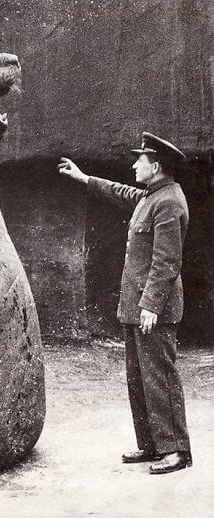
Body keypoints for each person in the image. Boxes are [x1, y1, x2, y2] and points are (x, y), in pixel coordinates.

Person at [58, 132, 192, 475]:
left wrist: (151, 305)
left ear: (156, 166)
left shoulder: (169, 202)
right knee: (139, 378)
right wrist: (85, 179)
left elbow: (167, 261)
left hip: (153, 310)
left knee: (159, 377)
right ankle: (152, 445)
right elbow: (122, 192)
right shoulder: (151, 196)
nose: (134, 165)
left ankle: (176, 450)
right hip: (138, 308)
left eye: (140, 160)